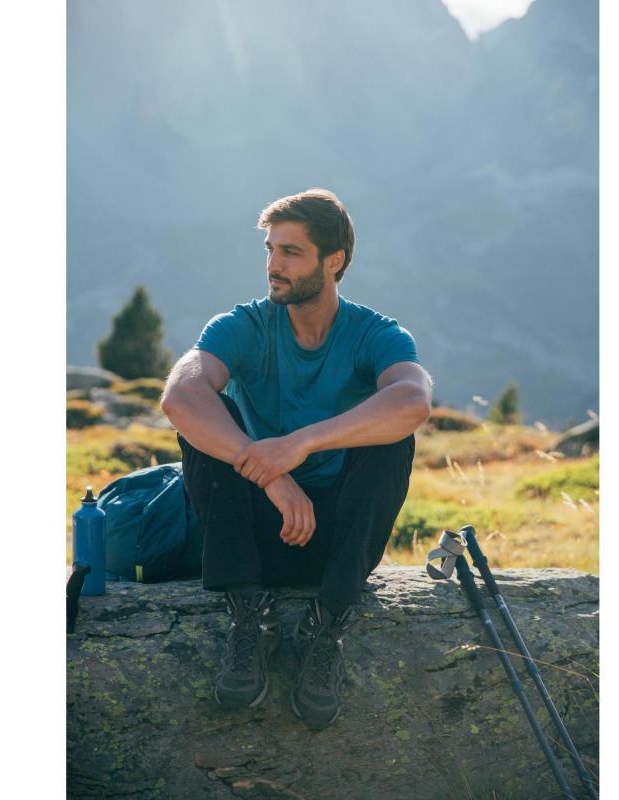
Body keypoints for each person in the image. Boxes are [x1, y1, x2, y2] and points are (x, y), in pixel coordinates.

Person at [160, 188, 431, 729]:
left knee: (392, 438)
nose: (273, 266)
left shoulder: (375, 334)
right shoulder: (243, 325)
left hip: (335, 543)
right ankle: (248, 616)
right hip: (255, 537)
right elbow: (180, 396)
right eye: (270, 250)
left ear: (334, 261)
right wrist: (271, 474)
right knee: (207, 422)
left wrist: (299, 443)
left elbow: (413, 400)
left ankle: (327, 621)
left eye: (290, 252)